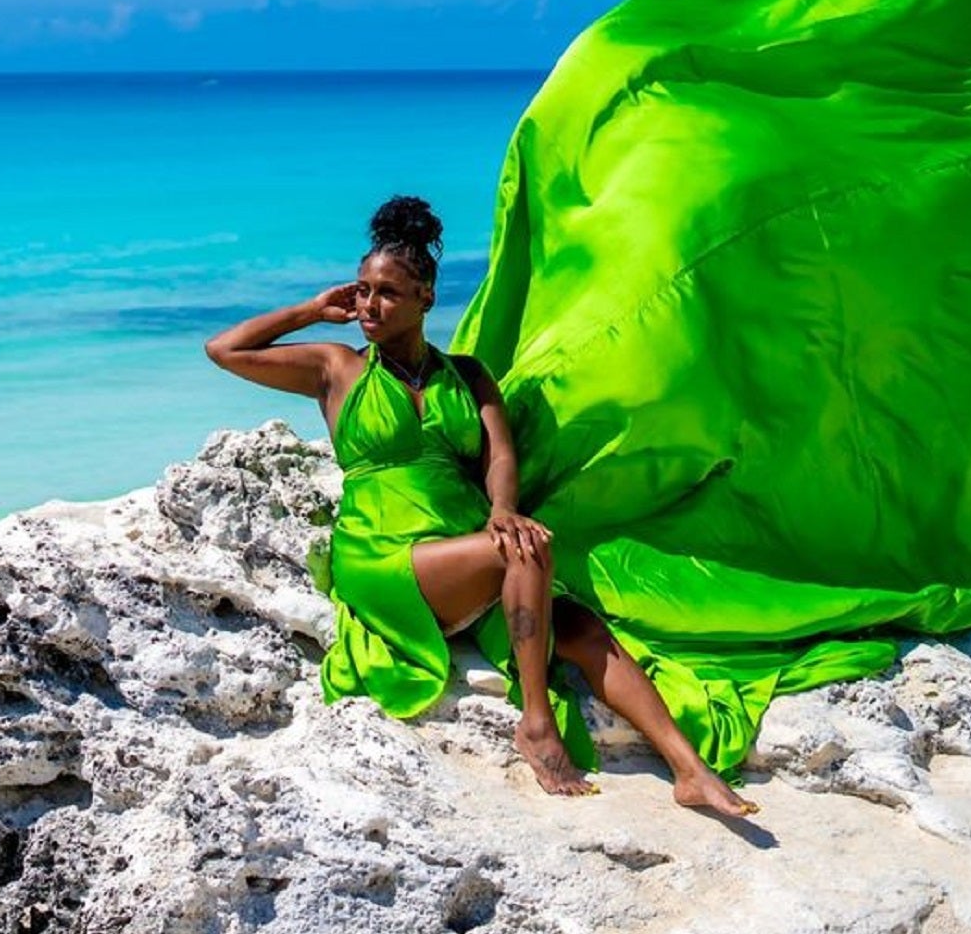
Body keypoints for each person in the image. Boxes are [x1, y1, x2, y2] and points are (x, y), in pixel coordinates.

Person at [205, 196, 756, 818]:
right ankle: (537, 724)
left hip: (465, 550)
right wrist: (311, 309)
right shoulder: (337, 369)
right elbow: (225, 350)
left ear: (426, 296)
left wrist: (501, 507)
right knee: (524, 550)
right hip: (384, 557)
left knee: (578, 626)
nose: (369, 305)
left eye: (387, 292)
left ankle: (689, 770)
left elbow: (500, 456)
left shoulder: (467, 376)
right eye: (361, 291)